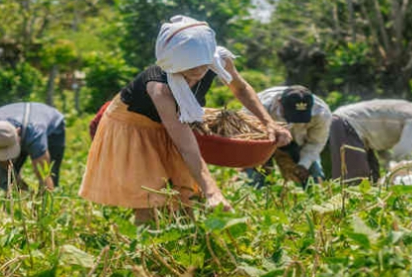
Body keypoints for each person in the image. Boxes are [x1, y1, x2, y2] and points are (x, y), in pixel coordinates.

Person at [79, 15, 292, 224]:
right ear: (172, 64)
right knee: (151, 199)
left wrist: (268, 122)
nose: (199, 71)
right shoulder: (159, 88)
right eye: (190, 68)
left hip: (172, 121)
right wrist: (212, 192)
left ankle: (187, 245)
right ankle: (143, 248)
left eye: (202, 64)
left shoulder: (219, 61)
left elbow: (241, 88)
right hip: (134, 126)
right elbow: (185, 144)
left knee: (184, 197)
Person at [330, 99, 412, 183]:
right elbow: (402, 152)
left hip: (346, 124)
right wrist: (411, 173)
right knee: (356, 179)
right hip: (347, 125)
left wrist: (389, 165)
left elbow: (382, 145)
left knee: (373, 177)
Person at [243, 85, 332, 188]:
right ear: (279, 102)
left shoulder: (321, 114)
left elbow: (316, 142)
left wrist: (303, 164)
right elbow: (246, 136)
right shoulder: (258, 107)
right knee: (256, 176)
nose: (294, 121)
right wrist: (256, 157)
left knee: (314, 177)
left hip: (298, 141)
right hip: (263, 140)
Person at [0, 102, 65, 192]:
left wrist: (44, 196)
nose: (8, 156)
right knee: (3, 183)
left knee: (49, 178)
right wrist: (19, 183)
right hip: (21, 122)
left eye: (10, 149)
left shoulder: (35, 134)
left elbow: (44, 175)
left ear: (18, 132)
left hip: (53, 128)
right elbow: (2, 161)